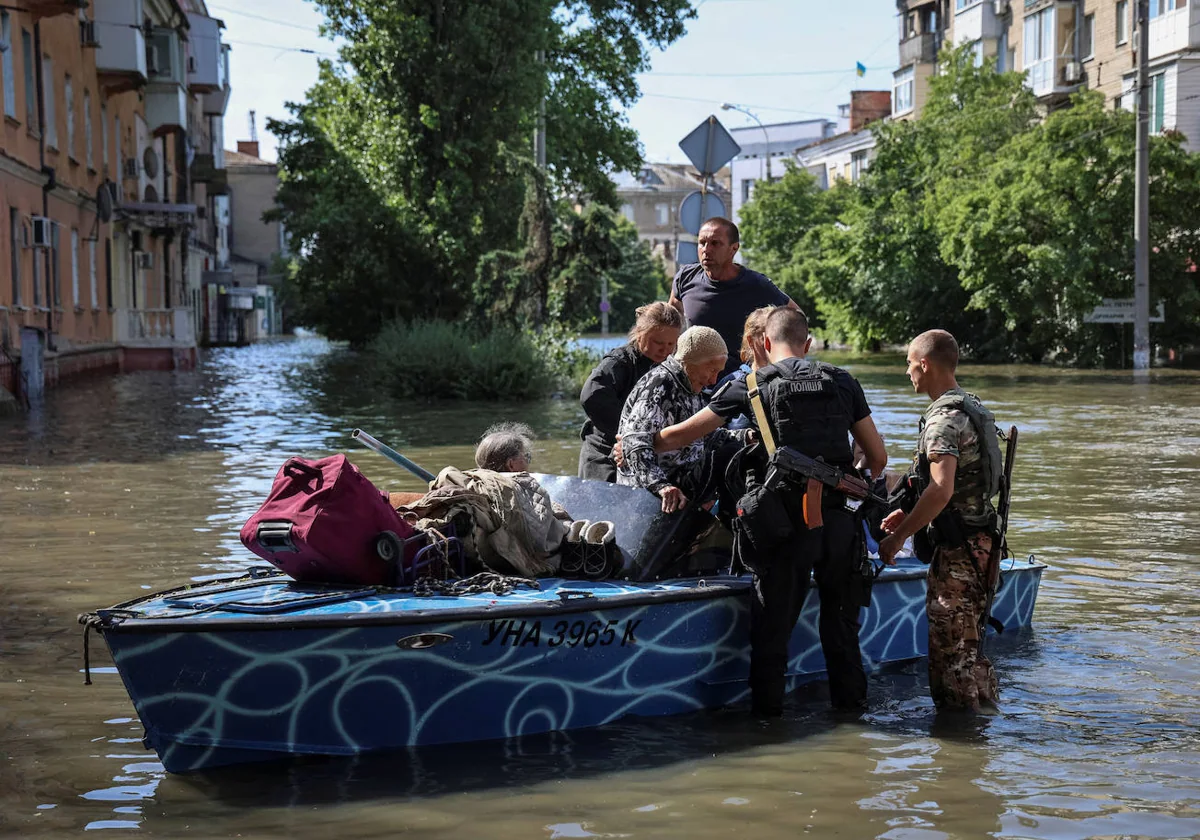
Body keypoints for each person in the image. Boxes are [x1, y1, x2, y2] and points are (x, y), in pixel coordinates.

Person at [652, 308, 887, 716]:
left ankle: (768, 728)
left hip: (782, 525)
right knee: (842, 629)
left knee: (772, 633)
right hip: (837, 524)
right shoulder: (843, 380)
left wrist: (637, 441)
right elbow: (878, 457)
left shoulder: (751, 384)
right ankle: (852, 721)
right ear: (808, 344)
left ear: (763, 343)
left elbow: (678, 437)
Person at [877, 329, 1004, 713]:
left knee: (952, 658)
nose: (907, 371)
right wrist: (913, 513)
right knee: (969, 650)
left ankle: (959, 752)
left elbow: (941, 489)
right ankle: (983, 734)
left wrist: (899, 536)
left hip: (960, 556)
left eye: (909, 363)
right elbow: (958, 490)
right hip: (980, 545)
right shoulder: (970, 408)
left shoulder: (943, 420)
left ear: (925, 363)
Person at [616, 326, 740, 513]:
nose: (714, 381)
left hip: (682, 480)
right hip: (649, 491)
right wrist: (661, 486)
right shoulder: (661, 384)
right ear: (690, 362)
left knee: (740, 454)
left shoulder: (691, 385)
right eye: (712, 370)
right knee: (728, 460)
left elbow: (704, 436)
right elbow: (635, 442)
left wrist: (745, 436)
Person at [669, 217, 799, 377]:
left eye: (715, 243)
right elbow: (670, 320)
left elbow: (796, 316)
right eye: (702, 243)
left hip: (738, 383)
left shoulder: (757, 285)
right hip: (694, 381)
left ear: (734, 248)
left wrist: (773, 357)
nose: (706, 249)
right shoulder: (686, 277)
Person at [578, 302, 683, 482]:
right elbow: (592, 395)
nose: (664, 350)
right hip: (604, 456)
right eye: (657, 342)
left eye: (670, 344)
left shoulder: (671, 367)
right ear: (640, 333)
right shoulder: (619, 362)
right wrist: (629, 435)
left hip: (644, 455)